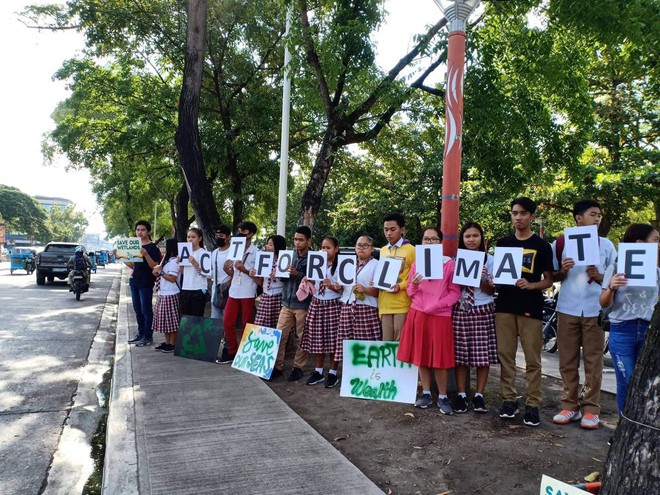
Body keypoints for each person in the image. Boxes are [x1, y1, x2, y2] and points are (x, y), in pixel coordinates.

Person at [551, 200, 616, 429]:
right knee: (567, 359)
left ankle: (591, 409)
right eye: (592, 214)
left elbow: (614, 279)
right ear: (579, 218)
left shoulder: (606, 245)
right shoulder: (561, 244)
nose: (597, 218)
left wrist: (599, 276)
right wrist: (562, 270)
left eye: (599, 215)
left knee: (593, 360)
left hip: (594, 309)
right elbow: (552, 276)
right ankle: (569, 405)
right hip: (567, 307)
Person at [495, 197, 554, 427]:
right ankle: (509, 400)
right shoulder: (503, 243)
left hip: (531, 307)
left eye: (522, 213)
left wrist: (532, 285)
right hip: (505, 307)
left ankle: (533, 404)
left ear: (531, 215)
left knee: (533, 359)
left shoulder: (542, 246)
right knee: (506, 356)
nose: (517, 217)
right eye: (514, 213)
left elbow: (548, 280)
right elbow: (499, 276)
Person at [397, 227, 460, 415]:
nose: (429, 242)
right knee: (421, 354)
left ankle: (442, 396)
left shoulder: (449, 264)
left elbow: (454, 292)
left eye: (433, 239)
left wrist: (437, 306)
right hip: (418, 313)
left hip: (440, 316)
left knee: (440, 357)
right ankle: (425, 392)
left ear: (440, 242)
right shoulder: (418, 263)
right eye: (426, 239)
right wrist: (415, 284)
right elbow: (409, 291)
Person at [600, 223, 660, 414]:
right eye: (656, 240)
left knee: (646, 381)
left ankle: (637, 429)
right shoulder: (616, 267)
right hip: (622, 329)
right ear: (639, 243)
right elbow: (603, 303)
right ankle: (623, 427)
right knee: (626, 380)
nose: (659, 244)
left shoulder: (657, 272)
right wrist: (612, 287)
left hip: (647, 330)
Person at [451, 222, 498, 414]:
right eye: (467, 236)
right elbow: (453, 287)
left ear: (482, 239)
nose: (471, 239)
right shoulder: (455, 260)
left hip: (482, 308)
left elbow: (492, 289)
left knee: (482, 356)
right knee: (461, 355)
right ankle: (462, 394)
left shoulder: (491, 260)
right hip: (461, 308)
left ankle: (479, 395)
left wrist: (481, 279)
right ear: (462, 239)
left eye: (475, 236)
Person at [300, 236, 343, 387]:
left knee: (333, 340)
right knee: (317, 338)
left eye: (328, 248)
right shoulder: (316, 263)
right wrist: (307, 280)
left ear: (336, 249)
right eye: (323, 247)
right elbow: (313, 283)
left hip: (333, 304)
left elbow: (343, 288)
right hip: (317, 303)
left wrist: (331, 285)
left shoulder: (341, 265)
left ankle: (332, 372)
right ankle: (318, 371)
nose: (325, 250)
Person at [273, 226, 313, 381]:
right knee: (279, 335)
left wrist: (298, 274)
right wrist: (280, 272)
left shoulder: (314, 258)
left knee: (301, 337)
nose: (297, 242)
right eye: (295, 239)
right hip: (286, 302)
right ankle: (277, 366)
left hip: (303, 304)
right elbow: (282, 278)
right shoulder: (288, 255)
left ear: (309, 241)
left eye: (301, 240)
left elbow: (313, 280)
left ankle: (298, 367)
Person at [334, 236, 381, 365]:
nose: (361, 248)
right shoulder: (348, 263)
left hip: (366, 307)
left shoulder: (376, 265)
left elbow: (380, 292)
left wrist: (365, 289)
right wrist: (338, 287)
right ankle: (349, 372)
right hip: (347, 305)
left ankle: (367, 371)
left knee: (365, 343)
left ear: (372, 249)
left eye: (365, 245)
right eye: (359, 245)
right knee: (346, 342)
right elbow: (341, 288)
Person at [218, 221, 259, 364]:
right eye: (239, 230)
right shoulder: (235, 249)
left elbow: (258, 277)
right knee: (227, 322)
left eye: (244, 231)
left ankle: (245, 353)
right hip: (234, 290)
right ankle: (232, 351)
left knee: (246, 323)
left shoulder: (256, 252)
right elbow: (233, 272)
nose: (241, 233)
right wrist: (226, 269)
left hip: (248, 291)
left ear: (252, 234)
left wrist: (244, 269)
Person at [378, 213, 416, 341]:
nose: (388, 233)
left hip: (402, 304)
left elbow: (416, 277)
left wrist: (401, 286)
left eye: (392, 229)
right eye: (386, 229)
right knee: (386, 345)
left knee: (401, 345)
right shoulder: (383, 250)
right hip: (384, 304)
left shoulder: (412, 250)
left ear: (402, 230)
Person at [126, 220, 162, 347]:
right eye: (138, 230)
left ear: (148, 232)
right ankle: (140, 334)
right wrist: (120, 256)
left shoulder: (153, 248)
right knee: (137, 309)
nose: (140, 232)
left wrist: (146, 254)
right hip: (134, 280)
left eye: (142, 230)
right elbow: (132, 264)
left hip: (146, 282)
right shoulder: (134, 246)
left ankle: (148, 336)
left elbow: (155, 266)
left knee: (146, 309)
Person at [250, 235, 287, 328]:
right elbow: (261, 282)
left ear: (278, 246)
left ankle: (277, 343)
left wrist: (279, 273)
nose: (267, 246)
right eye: (267, 244)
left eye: (270, 245)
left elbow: (287, 279)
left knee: (278, 325)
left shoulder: (284, 260)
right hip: (266, 295)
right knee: (260, 324)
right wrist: (253, 275)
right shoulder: (263, 259)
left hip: (279, 296)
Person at [151, 239, 181, 353]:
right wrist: (158, 270)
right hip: (163, 293)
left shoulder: (173, 262)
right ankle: (167, 342)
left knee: (172, 321)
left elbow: (172, 279)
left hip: (171, 293)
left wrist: (161, 272)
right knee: (165, 321)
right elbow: (156, 272)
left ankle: (172, 343)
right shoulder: (166, 260)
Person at [179, 228, 212, 317]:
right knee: (185, 317)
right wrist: (179, 263)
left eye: (193, 237)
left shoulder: (204, 253)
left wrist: (194, 263)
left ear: (199, 238)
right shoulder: (184, 252)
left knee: (197, 317)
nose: (190, 239)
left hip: (199, 288)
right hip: (186, 287)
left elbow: (207, 273)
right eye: (188, 237)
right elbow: (182, 272)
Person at [210, 225, 232, 357]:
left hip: (228, 290)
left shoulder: (232, 252)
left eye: (221, 236)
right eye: (217, 236)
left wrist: (229, 283)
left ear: (228, 237)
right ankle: (213, 348)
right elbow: (212, 271)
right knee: (215, 321)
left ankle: (227, 348)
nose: (218, 238)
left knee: (227, 322)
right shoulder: (214, 253)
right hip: (216, 290)